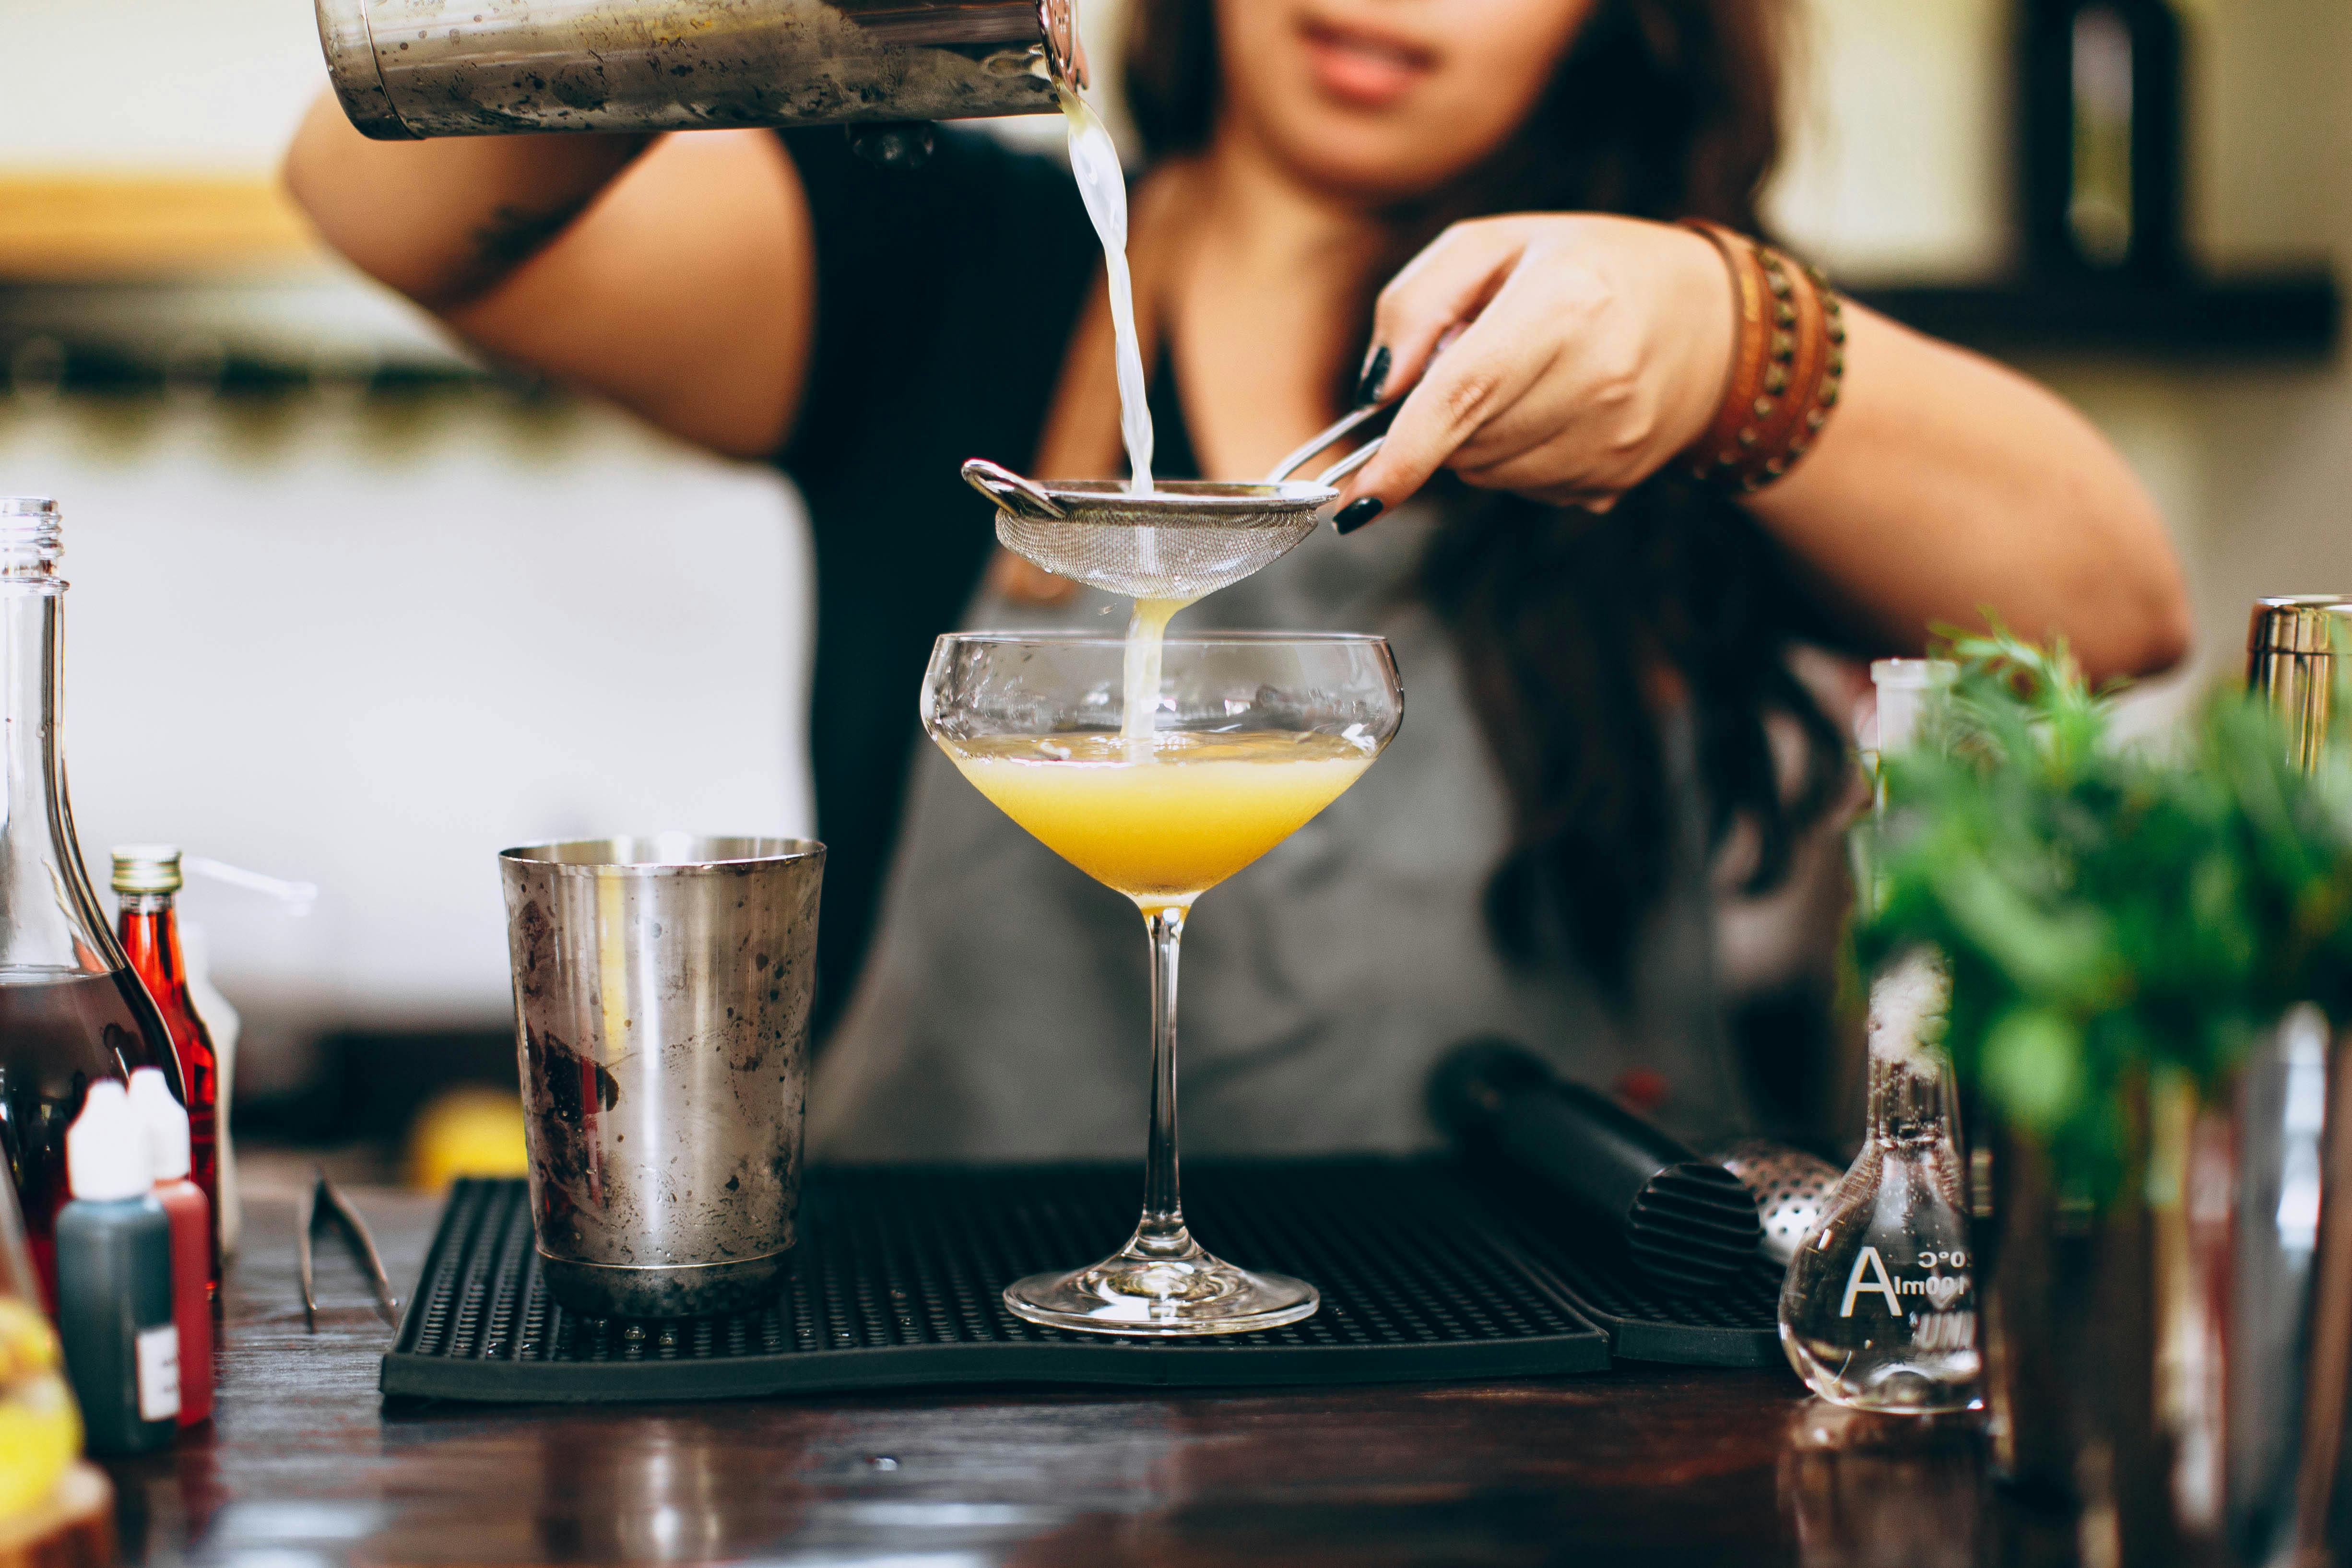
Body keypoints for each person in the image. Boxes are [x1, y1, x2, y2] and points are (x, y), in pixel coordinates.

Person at [284, 0, 2189, 1157]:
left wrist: (1723, 333)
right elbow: (371, 192)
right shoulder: (937, 262)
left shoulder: (1625, 353)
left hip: (1554, 1416)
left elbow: (2112, 608)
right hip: (958, 1407)